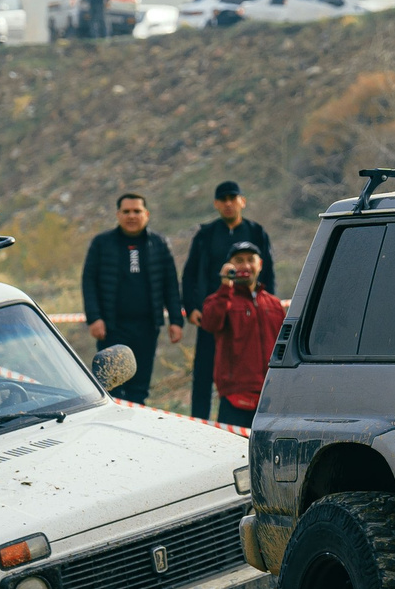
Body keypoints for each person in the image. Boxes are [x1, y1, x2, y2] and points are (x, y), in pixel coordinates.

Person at [180, 180, 276, 420]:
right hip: (211, 314)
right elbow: (190, 273)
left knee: (251, 370)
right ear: (216, 204)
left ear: (242, 201)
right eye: (223, 200)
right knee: (203, 373)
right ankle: (199, 423)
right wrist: (191, 307)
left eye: (233, 198)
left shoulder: (256, 232)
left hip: (246, 315)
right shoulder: (205, 234)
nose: (228, 204)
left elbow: (269, 272)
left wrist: (263, 302)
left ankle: (259, 418)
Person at [81, 192, 182, 404]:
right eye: (126, 211)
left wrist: (175, 320)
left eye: (137, 211)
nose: (131, 216)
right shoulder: (102, 243)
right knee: (111, 386)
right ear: (118, 214)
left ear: (146, 214)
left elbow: (170, 284)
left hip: (147, 327)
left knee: (140, 388)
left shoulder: (159, 244)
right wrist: (94, 318)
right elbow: (88, 281)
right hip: (112, 327)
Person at [199, 241, 286, 427]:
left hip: (271, 397)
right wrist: (225, 287)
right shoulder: (220, 300)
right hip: (235, 397)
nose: (245, 266)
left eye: (250, 260)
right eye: (239, 260)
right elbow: (209, 323)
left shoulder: (274, 304)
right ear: (229, 266)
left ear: (260, 264)